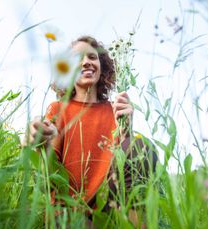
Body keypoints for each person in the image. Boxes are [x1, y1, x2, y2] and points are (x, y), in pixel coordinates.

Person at [28, 36, 155, 208]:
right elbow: (48, 182)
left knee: (140, 146)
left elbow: (128, 174)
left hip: (107, 210)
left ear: (102, 67)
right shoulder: (58, 109)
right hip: (68, 213)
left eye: (92, 57)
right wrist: (41, 146)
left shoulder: (115, 110)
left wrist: (127, 132)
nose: (86, 62)